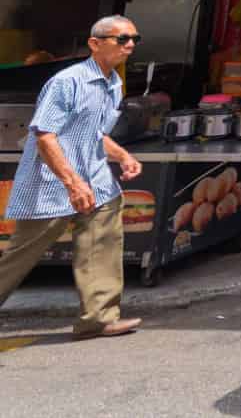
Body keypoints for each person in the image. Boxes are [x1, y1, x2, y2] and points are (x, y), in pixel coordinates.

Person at [0, 17, 145, 339]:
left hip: (96, 179)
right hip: (53, 182)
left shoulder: (114, 83)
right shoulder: (68, 82)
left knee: (102, 241)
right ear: (95, 43)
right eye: (121, 39)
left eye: (134, 38)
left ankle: (99, 318)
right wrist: (72, 182)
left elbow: (93, 133)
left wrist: (122, 155)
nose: (130, 45)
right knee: (21, 253)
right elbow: (45, 135)